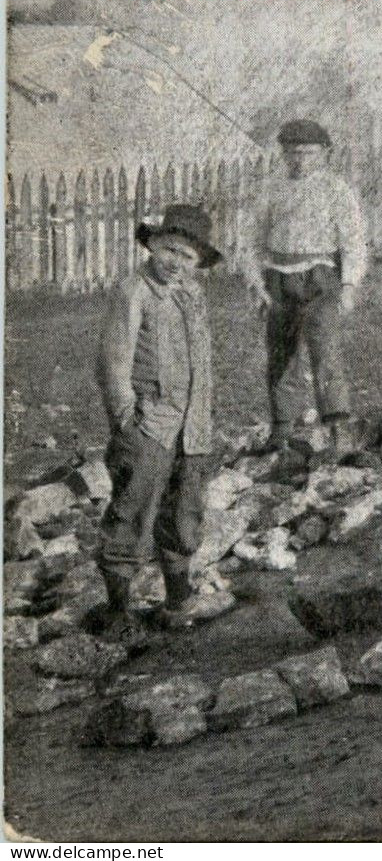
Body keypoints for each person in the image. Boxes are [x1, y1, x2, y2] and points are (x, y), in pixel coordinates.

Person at [94, 204, 223, 637]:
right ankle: (117, 612)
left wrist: (202, 420)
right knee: (133, 510)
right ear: (152, 245)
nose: (176, 263)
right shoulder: (135, 292)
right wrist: (126, 420)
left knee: (184, 511)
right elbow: (113, 362)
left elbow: (201, 363)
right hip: (148, 426)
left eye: (187, 257)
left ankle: (179, 600)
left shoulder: (193, 295)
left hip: (192, 427)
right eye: (170, 250)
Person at [248, 119, 368, 457]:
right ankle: (283, 428)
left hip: (321, 277)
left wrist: (348, 284)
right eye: (293, 154)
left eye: (308, 154)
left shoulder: (336, 189)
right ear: (283, 155)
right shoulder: (271, 189)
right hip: (278, 278)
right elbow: (253, 241)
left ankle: (338, 425)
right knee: (281, 352)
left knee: (323, 344)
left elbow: (353, 241)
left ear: (325, 154)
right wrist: (257, 284)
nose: (300, 161)